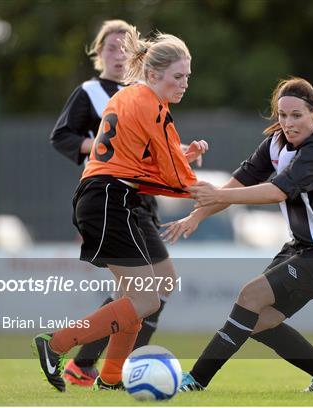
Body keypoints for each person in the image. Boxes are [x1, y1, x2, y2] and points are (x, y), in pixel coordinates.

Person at [162, 77, 313, 392]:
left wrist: (216, 196)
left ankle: (194, 382)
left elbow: (277, 192)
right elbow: (238, 183)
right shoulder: (275, 143)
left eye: (296, 115)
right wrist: (197, 214)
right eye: (282, 115)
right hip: (305, 248)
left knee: (250, 296)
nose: (288, 122)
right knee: (257, 322)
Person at [34, 25, 206, 393]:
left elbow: (148, 165)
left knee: (145, 293)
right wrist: (209, 193)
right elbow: (176, 177)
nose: (185, 83)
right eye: (178, 76)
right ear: (154, 74)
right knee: (146, 297)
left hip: (105, 197)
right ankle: (57, 345)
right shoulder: (151, 106)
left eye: (188, 76)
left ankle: (110, 379)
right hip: (111, 200)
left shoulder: (128, 98)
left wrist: (182, 157)